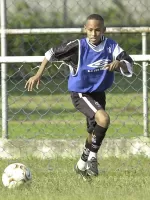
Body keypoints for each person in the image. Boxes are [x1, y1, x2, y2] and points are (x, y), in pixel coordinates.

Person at [25, 14, 133, 179]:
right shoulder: (77, 47)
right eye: (90, 30)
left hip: (98, 93)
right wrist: (38, 74)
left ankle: (82, 164)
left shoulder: (111, 46)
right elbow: (50, 54)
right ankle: (92, 158)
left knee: (93, 131)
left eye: (97, 30)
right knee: (103, 119)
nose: (94, 33)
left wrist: (119, 64)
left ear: (104, 30)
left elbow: (129, 64)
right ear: (85, 29)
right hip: (80, 93)